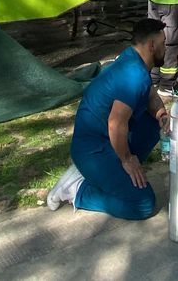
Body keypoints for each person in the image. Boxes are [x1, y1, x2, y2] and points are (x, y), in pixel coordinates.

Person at [46, 18, 170, 218]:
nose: (166, 47)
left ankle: (112, 174)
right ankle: (77, 189)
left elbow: (150, 94)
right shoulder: (134, 75)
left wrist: (162, 114)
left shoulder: (133, 59)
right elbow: (115, 123)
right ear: (152, 46)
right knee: (143, 204)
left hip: (102, 139)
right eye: (163, 43)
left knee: (152, 123)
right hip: (92, 149)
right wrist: (127, 159)